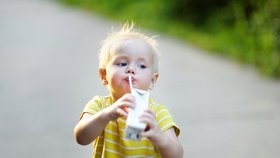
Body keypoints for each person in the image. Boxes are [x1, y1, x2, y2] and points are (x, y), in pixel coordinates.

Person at [74, 23, 184, 158]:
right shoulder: (99, 106)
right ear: (104, 75)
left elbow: (177, 155)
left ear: (152, 80)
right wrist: (106, 115)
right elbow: (81, 138)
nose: (131, 69)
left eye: (142, 66)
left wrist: (160, 137)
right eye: (122, 63)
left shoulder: (157, 113)